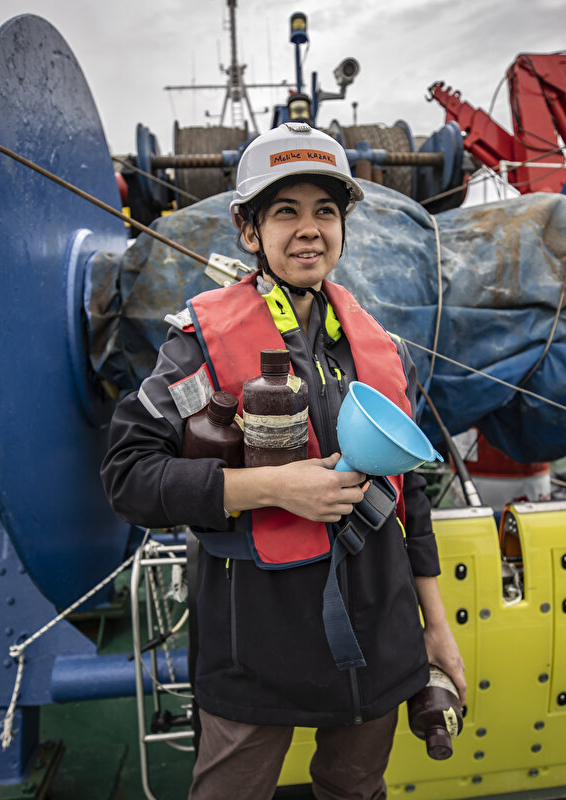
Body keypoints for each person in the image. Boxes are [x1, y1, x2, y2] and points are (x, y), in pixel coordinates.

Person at [101, 122, 465, 800]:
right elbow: (129, 477)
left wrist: (435, 629)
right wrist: (270, 486)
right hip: (254, 648)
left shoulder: (378, 347)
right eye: (285, 211)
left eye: (325, 211)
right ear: (248, 230)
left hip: (375, 641)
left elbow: (407, 497)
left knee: (355, 788)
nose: (309, 230)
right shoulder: (198, 350)